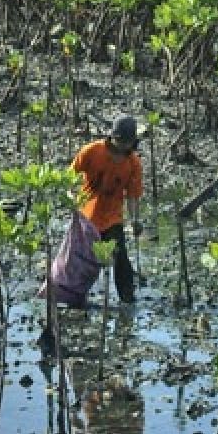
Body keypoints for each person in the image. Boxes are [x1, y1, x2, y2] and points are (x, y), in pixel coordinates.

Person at [70, 114, 143, 303]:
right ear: (112, 137)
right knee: (82, 260)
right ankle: (75, 296)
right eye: (121, 142)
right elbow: (70, 177)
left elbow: (133, 196)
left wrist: (135, 220)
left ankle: (127, 297)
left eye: (128, 143)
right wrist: (71, 200)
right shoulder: (91, 151)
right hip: (87, 215)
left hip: (112, 218)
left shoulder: (133, 163)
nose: (124, 147)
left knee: (121, 258)